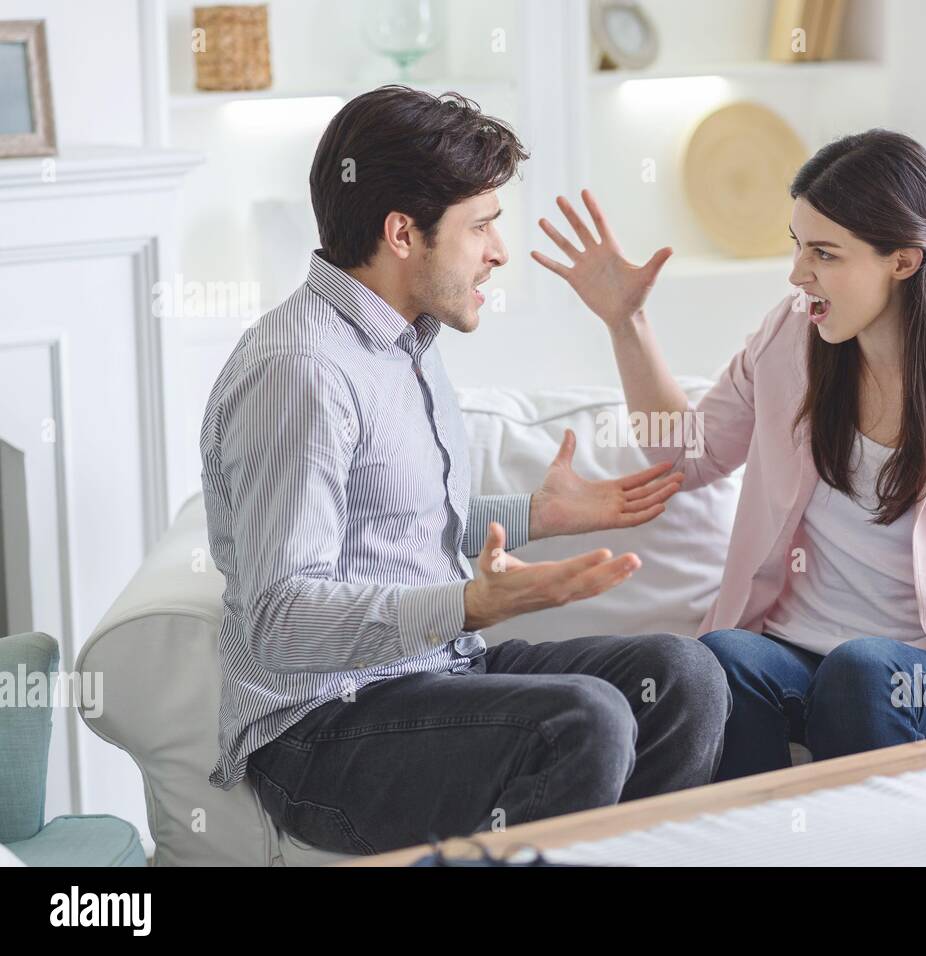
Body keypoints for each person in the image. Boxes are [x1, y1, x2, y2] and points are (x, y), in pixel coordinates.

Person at [200, 86, 729, 854]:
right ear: (402, 233)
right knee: (588, 720)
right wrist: (469, 605)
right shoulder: (302, 373)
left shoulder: (404, 342)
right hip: (319, 733)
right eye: (481, 226)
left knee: (685, 675)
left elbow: (388, 521)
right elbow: (280, 617)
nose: (498, 251)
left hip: (433, 678)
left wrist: (535, 516)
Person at [532, 128, 926, 780]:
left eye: (824, 254)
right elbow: (691, 455)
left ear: (903, 261)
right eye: (798, 246)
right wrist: (625, 322)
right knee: (724, 656)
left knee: (861, 671)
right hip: (796, 653)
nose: (799, 274)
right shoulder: (791, 337)